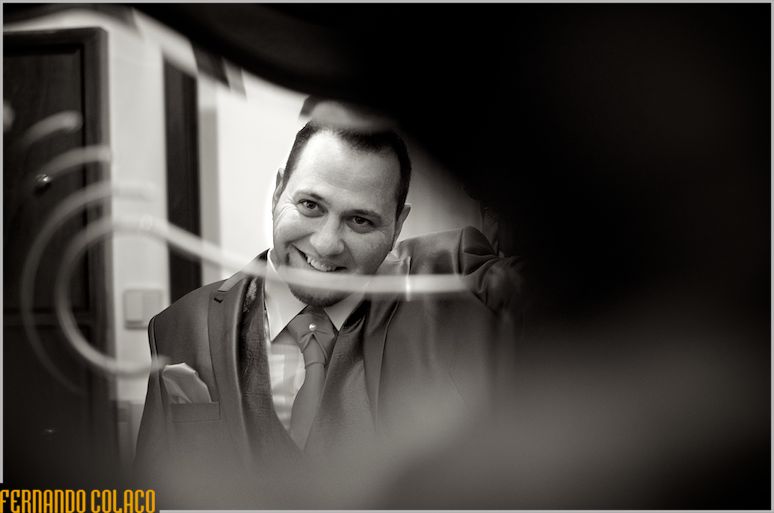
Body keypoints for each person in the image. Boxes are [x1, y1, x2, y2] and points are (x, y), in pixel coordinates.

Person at [134, 116, 522, 508]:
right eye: (310, 205)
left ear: (397, 224)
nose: (326, 244)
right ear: (277, 191)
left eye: (360, 220)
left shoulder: (450, 286)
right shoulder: (177, 327)